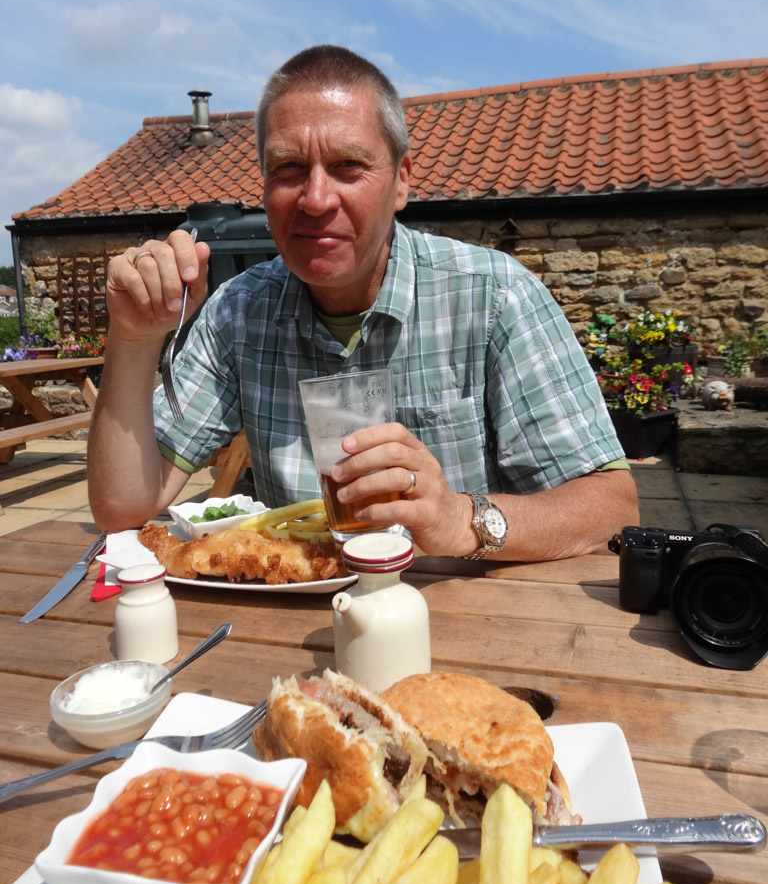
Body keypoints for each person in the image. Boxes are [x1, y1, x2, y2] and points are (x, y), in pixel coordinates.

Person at [88, 45, 638, 560]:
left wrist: (458, 518)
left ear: (400, 182)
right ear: (263, 187)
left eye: (349, 165)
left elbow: (612, 507)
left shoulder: (493, 294)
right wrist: (134, 339)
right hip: (296, 621)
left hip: (459, 617)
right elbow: (122, 505)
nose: (316, 198)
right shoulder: (238, 312)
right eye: (288, 169)